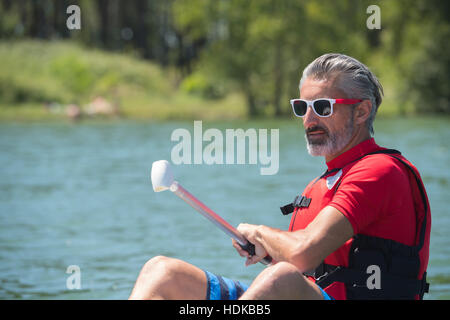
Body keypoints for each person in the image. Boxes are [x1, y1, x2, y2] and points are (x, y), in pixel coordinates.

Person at [129, 53, 431, 300]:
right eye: (303, 107)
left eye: (323, 107)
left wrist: (260, 234)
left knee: (282, 277)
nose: (309, 119)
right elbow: (306, 268)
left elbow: (301, 257)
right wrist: (269, 251)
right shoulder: (317, 186)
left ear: (362, 111)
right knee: (162, 272)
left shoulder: (380, 171)